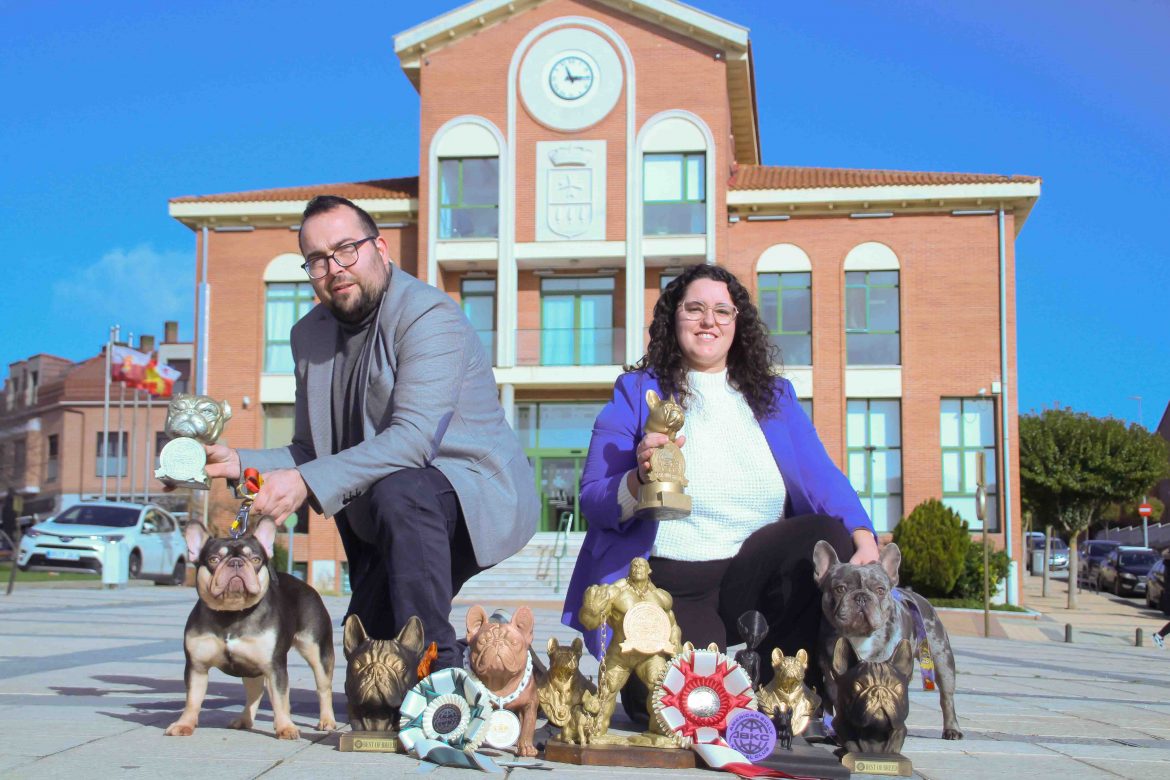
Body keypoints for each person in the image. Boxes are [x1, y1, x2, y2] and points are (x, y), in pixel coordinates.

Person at [202, 195, 538, 669]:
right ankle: (504, 672)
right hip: (388, 508)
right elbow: (308, 450)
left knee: (402, 491)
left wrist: (303, 482)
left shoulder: (428, 315)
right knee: (372, 652)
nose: (334, 267)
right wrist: (240, 464)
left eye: (346, 249)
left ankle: (440, 676)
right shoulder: (308, 337)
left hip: (469, 492)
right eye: (317, 260)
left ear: (381, 248)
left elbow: (413, 440)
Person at [563, 262, 878, 703]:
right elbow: (594, 499)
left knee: (825, 535)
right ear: (673, 320)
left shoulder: (775, 397)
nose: (709, 320)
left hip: (751, 571)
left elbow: (820, 475)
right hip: (669, 582)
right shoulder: (636, 392)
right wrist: (638, 478)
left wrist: (864, 535)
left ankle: (784, 687)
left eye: (722, 311)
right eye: (694, 309)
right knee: (678, 704)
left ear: (737, 323)